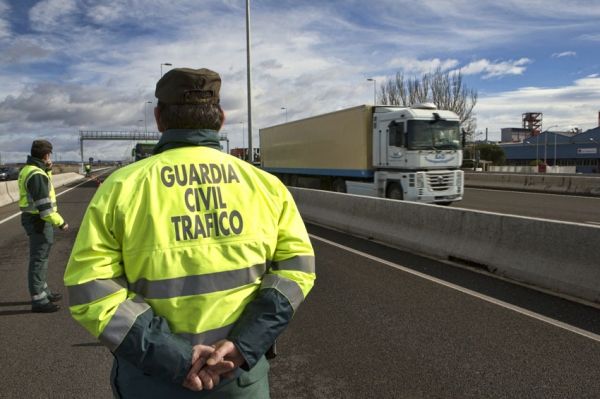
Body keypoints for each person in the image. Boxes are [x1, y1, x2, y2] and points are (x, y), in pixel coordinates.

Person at [64, 67, 316, 398]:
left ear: (159, 118)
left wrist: (176, 359)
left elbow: (90, 289)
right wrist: (243, 345)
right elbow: (297, 271)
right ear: (221, 118)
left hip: (153, 380)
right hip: (238, 377)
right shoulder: (266, 186)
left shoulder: (122, 187)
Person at [19, 140, 69, 313]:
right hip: (39, 221)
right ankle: (38, 299)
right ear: (47, 155)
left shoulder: (30, 169)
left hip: (34, 219)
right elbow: (45, 208)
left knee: (41, 258)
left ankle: (43, 290)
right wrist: (61, 223)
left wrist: (47, 169)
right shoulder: (37, 174)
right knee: (39, 259)